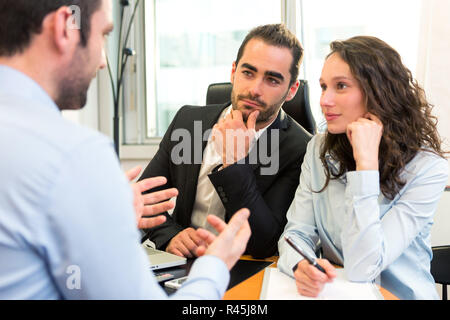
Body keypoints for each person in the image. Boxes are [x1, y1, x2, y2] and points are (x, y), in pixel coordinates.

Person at [0, 0, 251, 299]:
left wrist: (108, 223)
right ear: (66, 27)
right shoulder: (75, 155)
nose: (103, 61)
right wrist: (214, 266)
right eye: (103, 34)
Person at [278, 36, 449, 300]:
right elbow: (295, 233)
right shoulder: (318, 149)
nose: (325, 100)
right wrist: (301, 264)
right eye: (324, 86)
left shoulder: (428, 168)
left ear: (379, 92)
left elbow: (362, 267)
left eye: (341, 86)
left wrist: (365, 167)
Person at [139, 24, 311, 259]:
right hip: (181, 264)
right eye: (248, 73)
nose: (254, 89)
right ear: (233, 72)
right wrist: (170, 235)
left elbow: (264, 243)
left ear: (291, 90)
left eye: (272, 80)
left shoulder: (301, 149)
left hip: (244, 268)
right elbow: (145, 200)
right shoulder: (188, 121)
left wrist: (235, 163)